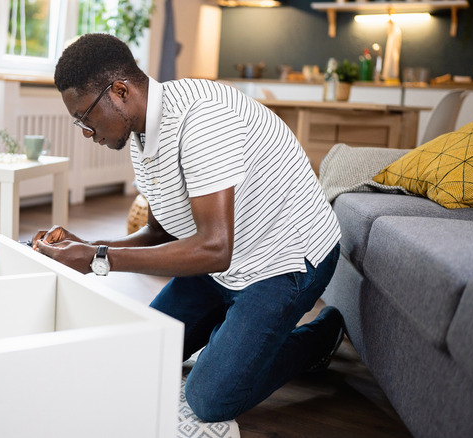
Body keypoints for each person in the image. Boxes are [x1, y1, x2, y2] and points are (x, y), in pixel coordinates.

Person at [32, 33, 344, 422]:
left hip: (283, 262)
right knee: (143, 357)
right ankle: (235, 336)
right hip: (220, 266)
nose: (84, 131)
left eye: (85, 117)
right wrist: (89, 244)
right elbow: (159, 233)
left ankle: (318, 337)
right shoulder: (139, 132)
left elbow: (215, 247)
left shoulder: (203, 120)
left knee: (211, 397)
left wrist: (98, 259)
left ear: (120, 91)